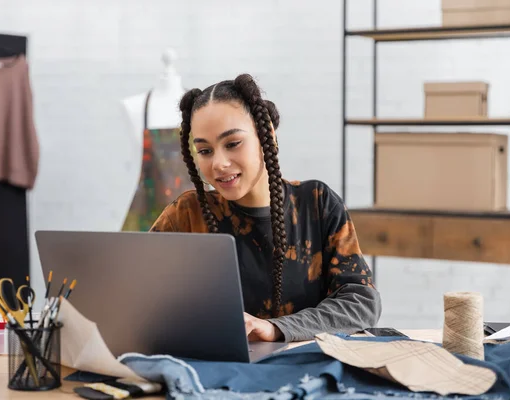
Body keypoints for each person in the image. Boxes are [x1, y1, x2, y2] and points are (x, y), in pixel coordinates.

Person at [150, 73, 382, 343]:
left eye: (232, 144)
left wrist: (276, 328)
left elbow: (361, 302)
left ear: (266, 134)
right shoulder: (186, 215)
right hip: (217, 373)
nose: (219, 163)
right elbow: (141, 296)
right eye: (205, 151)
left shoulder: (317, 203)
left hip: (306, 371)